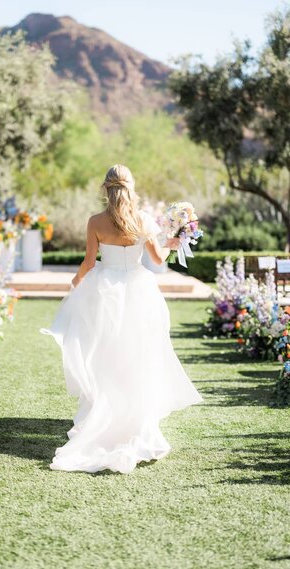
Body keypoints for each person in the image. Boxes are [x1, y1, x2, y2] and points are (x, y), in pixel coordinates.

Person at [40, 164, 203, 474]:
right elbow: (157, 261)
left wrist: (74, 286)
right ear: (131, 187)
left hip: (105, 292)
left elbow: (89, 262)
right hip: (140, 291)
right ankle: (135, 421)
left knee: (105, 356)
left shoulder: (96, 222)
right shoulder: (143, 221)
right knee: (138, 357)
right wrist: (169, 244)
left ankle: (104, 414)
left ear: (105, 188)